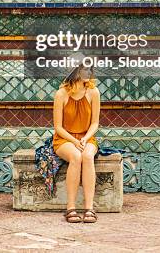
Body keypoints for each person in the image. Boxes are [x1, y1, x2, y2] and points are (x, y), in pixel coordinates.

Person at [53, 63, 100, 223]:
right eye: (85, 69)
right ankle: (71, 208)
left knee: (87, 156)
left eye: (90, 69)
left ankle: (89, 208)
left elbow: (95, 123)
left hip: (86, 137)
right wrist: (74, 141)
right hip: (65, 138)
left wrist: (85, 138)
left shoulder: (93, 92)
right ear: (75, 71)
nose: (89, 72)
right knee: (76, 157)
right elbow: (58, 127)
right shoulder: (61, 94)